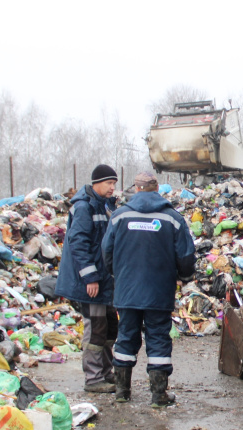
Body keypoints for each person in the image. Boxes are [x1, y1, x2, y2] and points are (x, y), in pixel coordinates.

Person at [102, 171, 195, 405]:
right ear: (156, 190)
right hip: (159, 290)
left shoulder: (119, 216)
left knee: (125, 337)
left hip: (127, 290)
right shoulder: (172, 218)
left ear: (135, 189)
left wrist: (119, 274)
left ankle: (122, 392)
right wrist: (183, 276)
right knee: (158, 338)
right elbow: (185, 255)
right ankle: (158, 395)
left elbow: (106, 252)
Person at [55, 164, 119, 393]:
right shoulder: (84, 207)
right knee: (96, 328)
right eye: (109, 184)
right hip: (91, 283)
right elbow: (79, 244)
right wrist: (90, 277)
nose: (113, 188)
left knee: (111, 327)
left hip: (105, 281)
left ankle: (107, 372)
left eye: (114, 184)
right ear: (96, 183)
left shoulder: (105, 205)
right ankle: (93, 379)